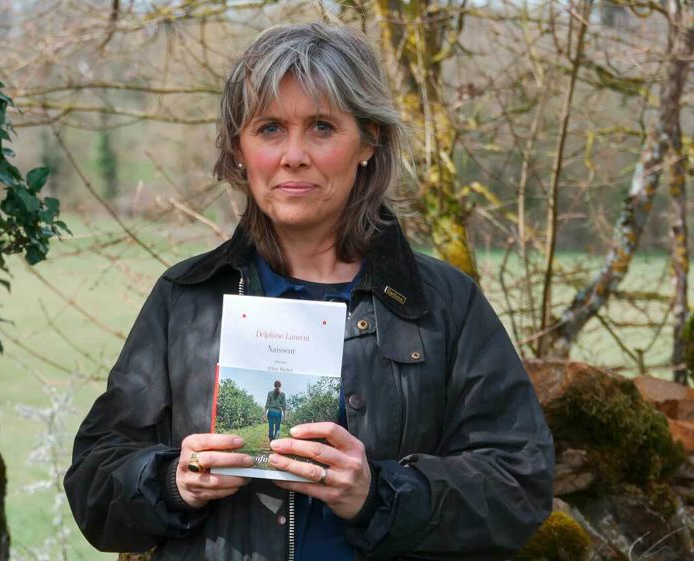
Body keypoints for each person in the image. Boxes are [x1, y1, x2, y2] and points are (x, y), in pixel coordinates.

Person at [64, 23, 554, 561]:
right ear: (239, 149)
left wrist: (378, 494)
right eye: (270, 129)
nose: (293, 155)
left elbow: (519, 486)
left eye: (322, 127)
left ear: (369, 141)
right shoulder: (188, 298)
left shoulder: (443, 304)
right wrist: (172, 481)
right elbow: (94, 484)